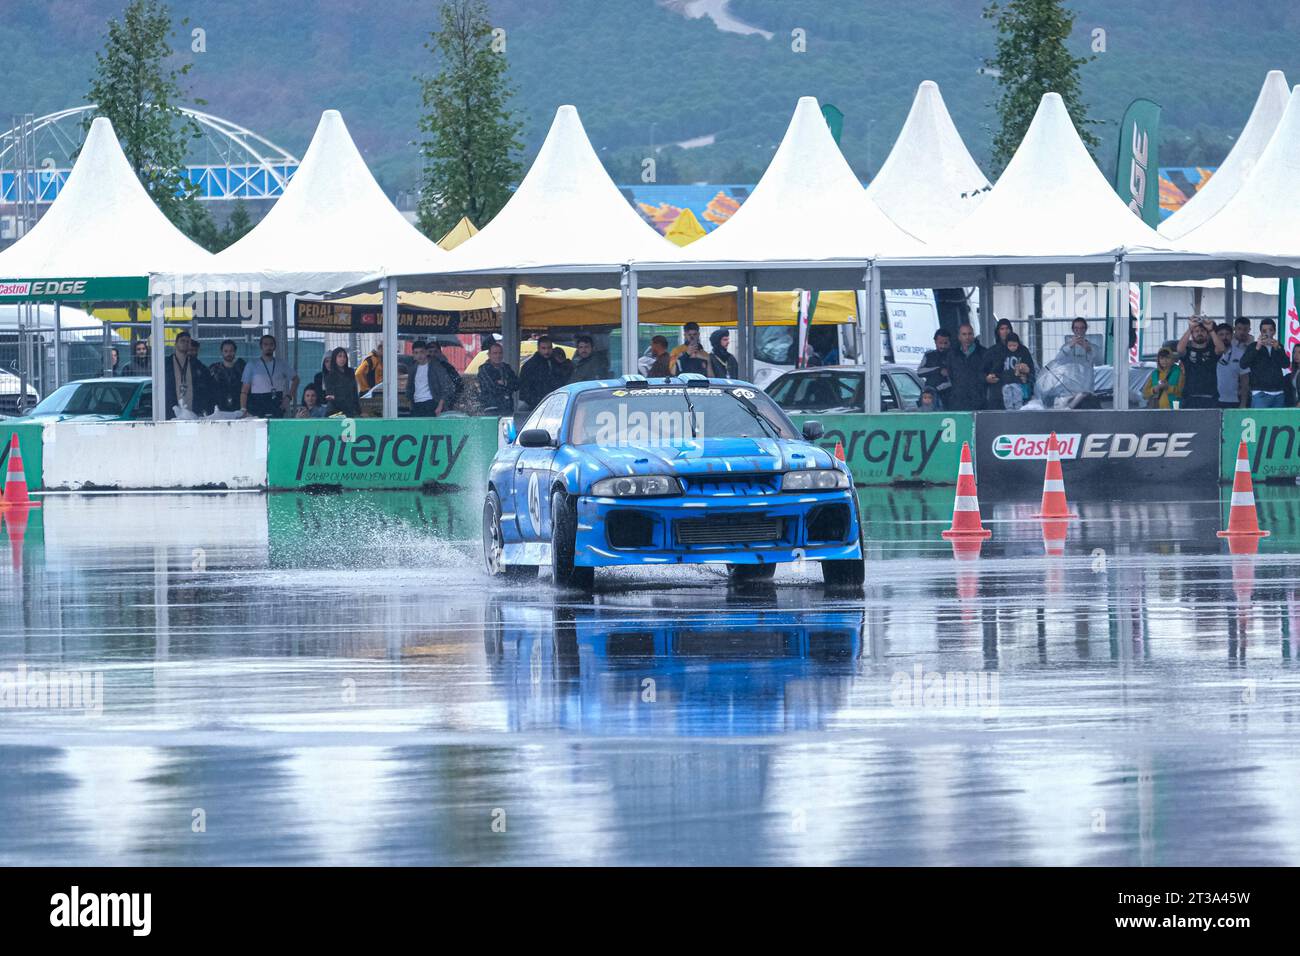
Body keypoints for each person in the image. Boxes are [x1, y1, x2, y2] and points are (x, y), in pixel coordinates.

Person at [240, 334, 297, 419]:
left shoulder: (282, 364)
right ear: (261, 347)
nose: (268, 347)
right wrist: (243, 409)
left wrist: (288, 397)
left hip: (276, 404)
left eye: (271, 344)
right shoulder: (251, 365)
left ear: (274, 347)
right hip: (258, 404)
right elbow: (244, 391)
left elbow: (296, 379)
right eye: (265, 344)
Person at [1176, 315, 1225, 409]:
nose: (1199, 333)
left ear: (1207, 334)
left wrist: (1211, 330)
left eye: (1202, 331)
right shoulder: (1188, 351)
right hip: (1190, 397)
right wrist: (1190, 329)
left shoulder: (1212, 351)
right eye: (1196, 331)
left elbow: (1221, 349)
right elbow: (1179, 349)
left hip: (1210, 397)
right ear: (1192, 334)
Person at [1240, 318, 1290, 408]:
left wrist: (1278, 349)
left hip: (1278, 392)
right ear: (1260, 332)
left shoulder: (1278, 346)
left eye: (1270, 330)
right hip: (1260, 392)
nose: (1267, 333)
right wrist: (1257, 348)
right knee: (1261, 420)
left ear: (1274, 332)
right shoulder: (1253, 346)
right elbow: (1243, 364)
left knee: (1278, 421)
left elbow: (1286, 364)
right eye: (1264, 331)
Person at [982, 331, 1036, 410]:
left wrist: (1025, 373)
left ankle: (1017, 411)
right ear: (1006, 345)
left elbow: (1030, 368)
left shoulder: (1022, 352)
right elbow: (998, 366)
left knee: (1017, 398)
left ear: (1018, 344)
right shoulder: (1003, 353)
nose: (1012, 348)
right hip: (1006, 382)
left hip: (1017, 382)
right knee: (1007, 399)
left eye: (1014, 345)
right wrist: (994, 374)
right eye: (1010, 346)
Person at [518, 336, 572, 411]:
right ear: (538, 348)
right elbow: (524, 390)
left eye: (549, 348)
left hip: (554, 402)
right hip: (536, 405)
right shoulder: (530, 366)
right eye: (543, 348)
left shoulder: (555, 363)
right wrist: (536, 401)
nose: (547, 351)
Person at [163, 332, 209, 419]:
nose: (185, 343)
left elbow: (204, 385)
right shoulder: (166, 363)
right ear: (175, 344)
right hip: (172, 409)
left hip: (192, 410)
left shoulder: (196, 364)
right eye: (182, 341)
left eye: (188, 342)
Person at [405, 339, 456, 417]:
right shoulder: (413, 369)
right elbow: (409, 387)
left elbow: (446, 386)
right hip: (416, 404)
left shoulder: (436, 367)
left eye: (421, 352)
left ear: (426, 352)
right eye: (416, 353)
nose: (419, 355)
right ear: (413, 355)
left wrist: (440, 405)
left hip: (431, 403)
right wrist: (409, 403)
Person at [945, 323, 987, 411]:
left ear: (973, 335)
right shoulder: (952, 354)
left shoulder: (983, 353)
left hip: (978, 400)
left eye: (969, 334)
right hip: (958, 400)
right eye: (964, 334)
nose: (967, 337)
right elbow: (951, 374)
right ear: (959, 336)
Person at [1215, 319, 1252, 409]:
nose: (1224, 337)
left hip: (1235, 401)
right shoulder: (1212, 354)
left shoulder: (1240, 353)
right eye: (1221, 335)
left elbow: (1245, 381)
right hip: (1215, 400)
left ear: (1232, 335)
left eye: (1227, 334)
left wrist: (1243, 403)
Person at [477, 340, 520, 415]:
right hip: (491, 408)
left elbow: (517, 384)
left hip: (507, 408)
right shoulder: (484, 369)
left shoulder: (506, 368)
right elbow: (491, 388)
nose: (498, 356)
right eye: (495, 353)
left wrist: (504, 383)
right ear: (489, 355)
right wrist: (508, 385)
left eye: (500, 353)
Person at [208, 339, 246, 414]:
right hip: (219, 409)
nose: (229, 353)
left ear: (235, 352)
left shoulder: (242, 369)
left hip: (237, 408)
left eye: (231, 351)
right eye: (226, 351)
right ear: (221, 352)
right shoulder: (214, 369)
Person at [322, 347, 360, 417]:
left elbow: (354, 394)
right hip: (335, 412)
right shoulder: (329, 376)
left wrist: (358, 411)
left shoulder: (350, 372)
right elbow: (332, 398)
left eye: (344, 356)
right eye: (339, 356)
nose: (342, 359)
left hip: (351, 410)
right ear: (334, 358)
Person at [917, 329, 953, 401]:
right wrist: (938, 370)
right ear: (935, 342)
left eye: (945, 343)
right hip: (931, 397)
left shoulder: (955, 357)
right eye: (940, 343)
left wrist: (940, 387)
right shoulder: (929, 355)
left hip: (950, 396)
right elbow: (919, 372)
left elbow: (958, 379)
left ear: (950, 343)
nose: (943, 346)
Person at [428, 341, 464, 408]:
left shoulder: (447, 367)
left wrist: (451, 402)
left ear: (440, 352)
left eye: (435, 352)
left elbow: (459, 385)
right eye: (430, 352)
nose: (432, 355)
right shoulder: (423, 368)